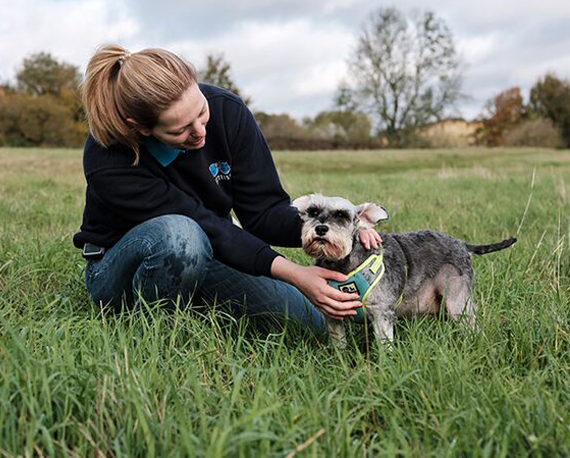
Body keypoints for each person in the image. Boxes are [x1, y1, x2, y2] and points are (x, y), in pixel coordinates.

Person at [73, 44, 382, 334]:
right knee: (180, 235)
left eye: (201, 113)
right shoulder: (108, 156)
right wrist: (294, 273)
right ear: (139, 127)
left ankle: (195, 301)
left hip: (207, 250)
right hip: (120, 270)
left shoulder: (227, 110)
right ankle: (153, 333)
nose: (201, 133)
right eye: (180, 129)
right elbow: (205, 225)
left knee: (315, 323)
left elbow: (263, 212)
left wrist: (336, 226)